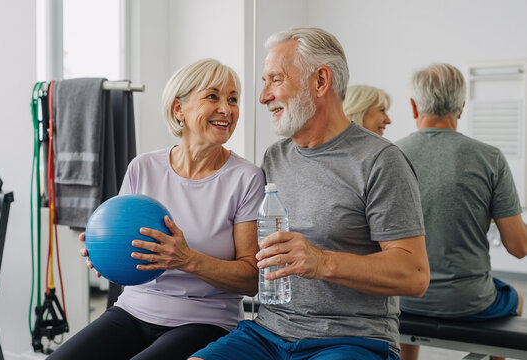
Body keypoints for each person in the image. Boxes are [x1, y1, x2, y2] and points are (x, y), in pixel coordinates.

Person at [191, 27, 429, 360]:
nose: (262, 97)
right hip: (268, 333)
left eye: (275, 80)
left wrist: (322, 262)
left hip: (351, 341)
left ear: (320, 81)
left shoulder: (381, 161)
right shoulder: (276, 156)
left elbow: (415, 275)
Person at [47, 58, 265, 360]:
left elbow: (252, 279)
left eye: (233, 99)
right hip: (134, 309)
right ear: (179, 110)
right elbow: (124, 252)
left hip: (206, 320)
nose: (226, 110)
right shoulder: (144, 167)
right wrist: (104, 253)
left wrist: (187, 259)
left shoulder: (246, 178)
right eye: (212, 96)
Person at [396, 63, 527, 360]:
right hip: (469, 302)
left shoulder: (390, 154)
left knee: (410, 287)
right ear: (461, 108)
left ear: (414, 108)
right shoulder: (490, 158)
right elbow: (519, 247)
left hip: (402, 299)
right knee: (515, 297)